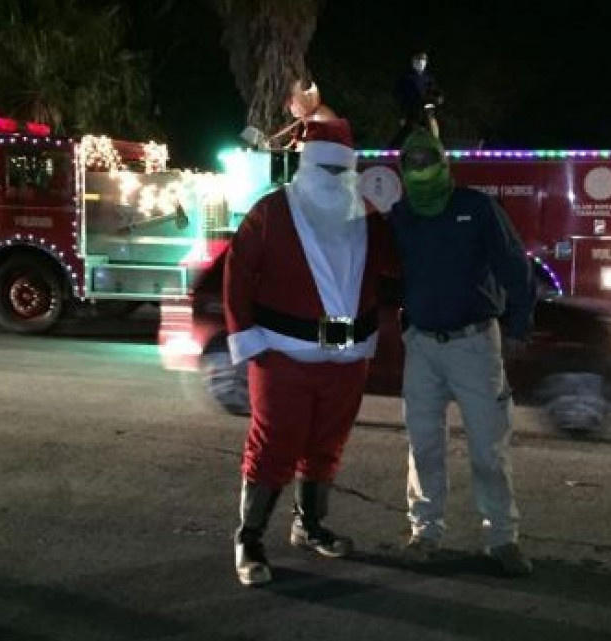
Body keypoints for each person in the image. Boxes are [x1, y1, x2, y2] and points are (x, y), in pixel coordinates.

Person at [223, 118, 394, 587]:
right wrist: (246, 335)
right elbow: (236, 275)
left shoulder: (369, 216)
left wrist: (403, 214)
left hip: (347, 358)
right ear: (307, 167)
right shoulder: (272, 212)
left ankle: (310, 524)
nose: (335, 182)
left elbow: (396, 264)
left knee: (326, 445)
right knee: (273, 443)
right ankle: (250, 538)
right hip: (283, 355)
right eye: (326, 171)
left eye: (343, 173)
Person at [386, 129, 536, 576]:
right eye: (410, 161)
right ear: (402, 169)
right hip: (423, 347)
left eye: (426, 158)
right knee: (424, 445)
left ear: (443, 161)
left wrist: (519, 326)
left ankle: (502, 538)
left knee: (489, 449)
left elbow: (516, 266)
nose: (420, 168)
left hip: (474, 344)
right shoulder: (400, 216)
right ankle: (425, 531)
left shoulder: (477, 208)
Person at [391, 51, 443, 148]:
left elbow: (435, 91)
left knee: (432, 126)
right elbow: (398, 96)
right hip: (411, 110)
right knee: (407, 130)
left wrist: (438, 97)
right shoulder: (405, 78)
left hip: (426, 108)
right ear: (413, 62)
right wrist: (402, 113)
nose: (421, 63)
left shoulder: (429, 78)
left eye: (423, 60)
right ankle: (393, 149)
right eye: (418, 60)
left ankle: (436, 146)